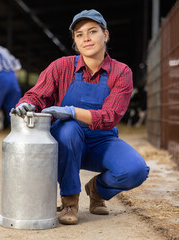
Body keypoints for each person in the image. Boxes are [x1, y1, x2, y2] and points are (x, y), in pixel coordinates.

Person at [11, 9, 150, 225]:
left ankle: (97, 190)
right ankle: (70, 202)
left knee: (136, 170)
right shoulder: (61, 67)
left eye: (92, 31)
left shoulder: (121, 72)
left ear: (106, 35)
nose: (86, 38)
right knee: (68, 129)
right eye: (79, 34)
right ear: (75, 42)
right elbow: (36, 95)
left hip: (101, 140)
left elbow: (110, 116)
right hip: (65, 142)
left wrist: (72, 111)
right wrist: (26, 104)